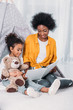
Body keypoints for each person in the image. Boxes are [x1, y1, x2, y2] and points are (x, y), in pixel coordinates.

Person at [23, 12, 73, 92]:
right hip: (34, 70)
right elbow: (26, 57)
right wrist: (26, 70)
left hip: (46, 70)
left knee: (54, 81)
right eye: (39, 31)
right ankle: (64, 83)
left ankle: (70, 82)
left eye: (44, 31)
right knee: (46, 84)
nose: (42, 33)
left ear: (49, 28)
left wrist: (51, 69)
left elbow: (53, 60)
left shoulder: (52, 42)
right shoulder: (30, 39)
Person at [0, 33, 60, 98]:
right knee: (19, 84)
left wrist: (23, 74)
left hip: (20, 78)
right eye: (18, 50)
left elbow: (22, 69)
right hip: (8, 80)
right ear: (11, 49)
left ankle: (48, 90)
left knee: (30, 82)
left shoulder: (20, 59)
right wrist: (12, 74)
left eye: (21, 50)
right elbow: (2, 73)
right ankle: (27, 92)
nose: (20, 52)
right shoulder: (5, 59)